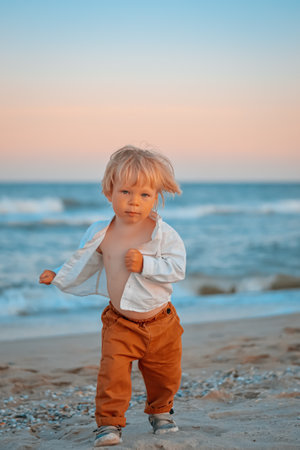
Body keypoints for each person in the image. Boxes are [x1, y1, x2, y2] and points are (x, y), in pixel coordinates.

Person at [39, 146, 186, 447]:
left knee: (164, 375)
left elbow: (177, 268)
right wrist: (58, 275)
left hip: (161, 321)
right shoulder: (101, 232)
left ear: (156, 197)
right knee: (112, 375)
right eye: (126, 192)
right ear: (109, 192)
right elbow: (84, 263)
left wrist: (146, 264)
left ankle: (161, 411)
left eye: (145, 195)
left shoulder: (162, 234)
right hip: (120, 322)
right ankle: (109, 424)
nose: (134, 202)